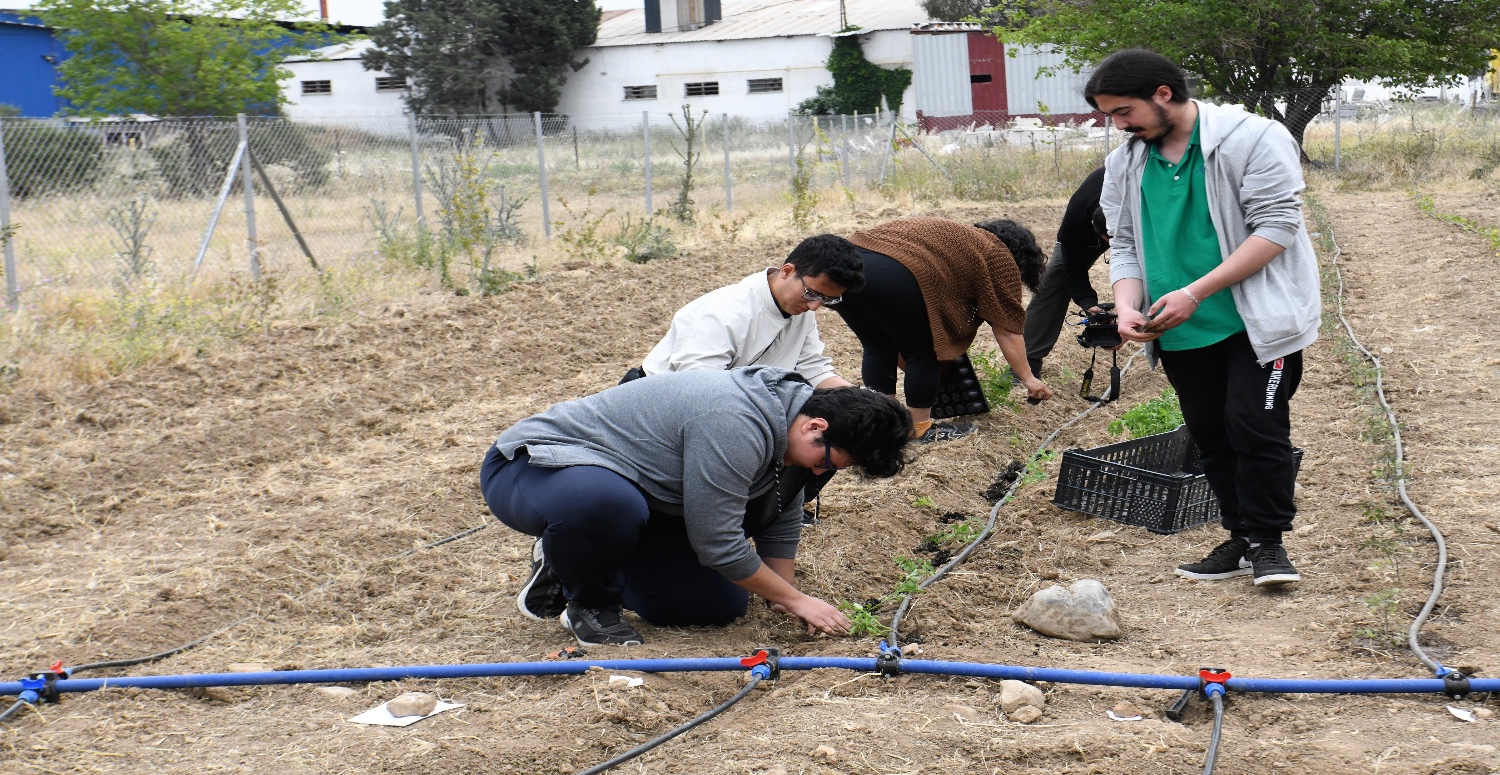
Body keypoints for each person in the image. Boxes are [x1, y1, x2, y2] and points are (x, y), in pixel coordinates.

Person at [1088, 49, 1321, 586]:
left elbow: (1277, 228)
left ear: (1163, 94)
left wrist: (1195, 291)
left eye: (1124, 112)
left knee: (1254, 423)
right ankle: (1240, 537)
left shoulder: (1253, 139)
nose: (1118, 125)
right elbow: (1124, 243)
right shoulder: (1127, 163)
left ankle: (1269, 543)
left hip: (1255, 321)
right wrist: (1125, 304)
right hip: (1180, 326)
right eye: (1111, 116)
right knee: (1210, 433)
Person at [481, 367, 912, 646]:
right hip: (543, 467)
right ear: (817, 427)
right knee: (605, 503)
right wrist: (800, 602)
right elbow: (718, 544)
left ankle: (573, 557)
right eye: (826, 462)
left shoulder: (795, 424)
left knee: (712, 607)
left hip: (645, 496)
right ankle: (590, 604)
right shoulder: (735, 421)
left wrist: (784, 595)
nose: (820, 473)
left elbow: (781, 504)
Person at [631, 234, 863, 523]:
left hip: (735, 405)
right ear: (788, 271)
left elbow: (814, 370)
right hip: (661, 407)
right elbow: (699, 389)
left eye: (828, 299)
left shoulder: (801, 311)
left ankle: (774, 511)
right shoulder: (726, 311)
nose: (815, 307)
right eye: (813, 294)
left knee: (842, 427)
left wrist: (864, 404)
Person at [833, 217, 1053, 443]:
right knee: (925, 351)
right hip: (893, 271)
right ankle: (919, 429)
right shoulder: (996, 253)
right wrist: (1028, 378)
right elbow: (1007, 329)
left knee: (878, 347)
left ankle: (881, 424)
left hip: (843, 269)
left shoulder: (956, 237)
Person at [1022, 167, 1111, 378]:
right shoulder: (1077, 220)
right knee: (1054, 280)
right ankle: (1026, 365)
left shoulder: (1144, 201)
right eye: (1110, 240)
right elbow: (1072, 270)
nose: (1114, 245)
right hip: (1086, 231)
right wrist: (1090, 304)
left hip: (1146, 221)